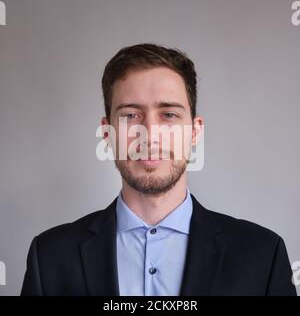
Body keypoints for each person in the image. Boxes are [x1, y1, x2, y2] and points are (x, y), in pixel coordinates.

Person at [21, 43, 296, 296]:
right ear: (107, 132)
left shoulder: (263, 255)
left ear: (195, 131)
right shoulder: (49, 257)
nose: (150, 135)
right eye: (131, 115)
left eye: (169, 115)